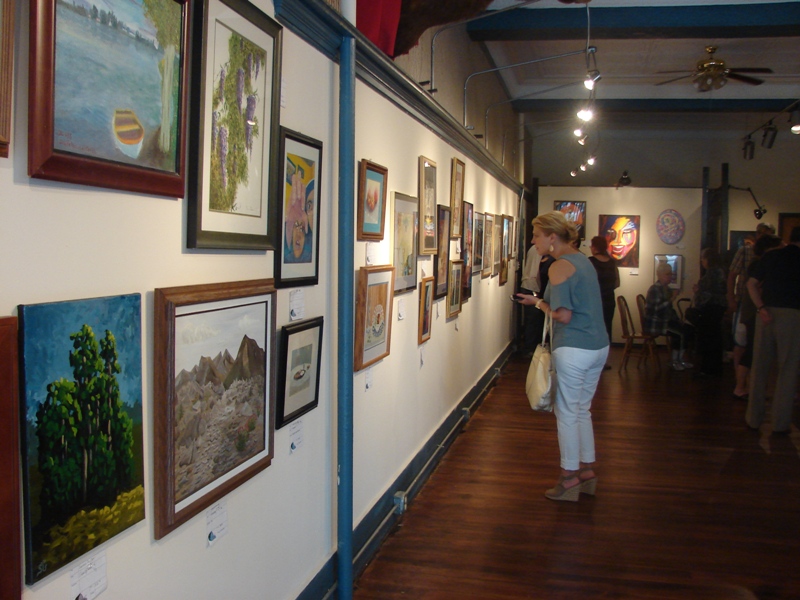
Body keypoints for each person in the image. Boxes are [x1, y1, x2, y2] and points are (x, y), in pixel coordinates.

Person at [517, 211, 608, 502]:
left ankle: (569, 478)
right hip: (598, 345)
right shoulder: (583, 260)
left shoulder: (558, 267)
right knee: (582, 409)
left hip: (574, 347)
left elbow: (562, 315)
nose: (534, 241)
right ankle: (587, 473)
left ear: (552, 237)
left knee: (567, 412)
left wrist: (537, 304)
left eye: (537, 236)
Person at [744, 226, 800, 433]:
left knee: (759, 366)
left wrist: (761, 308)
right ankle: (780, 423)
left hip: (766, 315)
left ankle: (753, 418)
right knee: (788, 370)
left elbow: (751, 284)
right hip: (793, 315)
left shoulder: (772, 256)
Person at [727, 223, 775, 396]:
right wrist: (731, 298)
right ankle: (740, 383)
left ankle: (747, 384)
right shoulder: (747, 252)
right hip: (746, 302)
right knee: (742, 343)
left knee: (753, 345)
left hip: (758, 304)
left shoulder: (770, 257)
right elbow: (732, 275)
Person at [644, 262, 692, 370]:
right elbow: (657, 309)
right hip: (656, 323)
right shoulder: (655, 289)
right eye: (667, 274)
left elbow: (668, 310)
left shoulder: (666, 288)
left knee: (687, 330)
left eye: (671, 274)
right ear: (660, 275)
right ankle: (675, 360)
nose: (670, 276)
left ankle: (679, 359)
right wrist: (672, 298)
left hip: (664, 320)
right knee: (679, 333)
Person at [690, 248, 728, 376]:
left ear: (708, 259)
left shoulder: (711, 274)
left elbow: (707, 295)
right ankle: (714, 368)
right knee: (715, 337)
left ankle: (707, 368)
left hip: (710, 309)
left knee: (707, 338)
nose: (702, 261)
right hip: (718, 308)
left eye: (703, 258)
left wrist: (698, 292)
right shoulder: (721, 272)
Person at [588, 236, 620, 349]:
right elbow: (617, 283)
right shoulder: (612, 262)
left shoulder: (590, 262)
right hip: (609, 300)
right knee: (607, 327)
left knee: (593, 328)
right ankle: (605, 353)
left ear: (594, 247)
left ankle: (593, 352)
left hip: (594, 301)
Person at [519, 244, 544, 355]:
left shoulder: (532, 248)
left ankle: (530, 348)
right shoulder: (542, 249)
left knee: (531, 320)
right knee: (534, 320)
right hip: (534, 287)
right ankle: (530, 349)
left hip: (528, 284)